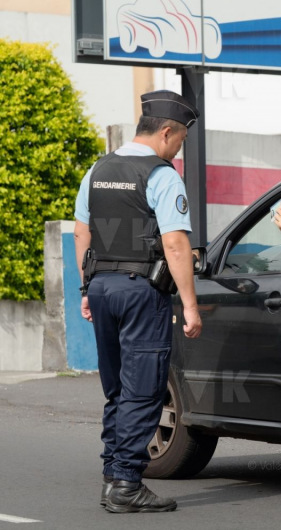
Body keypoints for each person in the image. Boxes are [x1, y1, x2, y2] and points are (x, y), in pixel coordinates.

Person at [73, 90, 203, 513]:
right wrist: (190, 305)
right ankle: (127, 482)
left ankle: (113, 473)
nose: (179, 149)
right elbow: (176, 244)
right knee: (143, 388)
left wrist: (85, 289)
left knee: (116, 387)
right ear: (167, 132)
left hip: (102, 286)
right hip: (140, 291)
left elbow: (82, 233)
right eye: (180, 140)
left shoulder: (98, 169)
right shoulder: (160, 175)